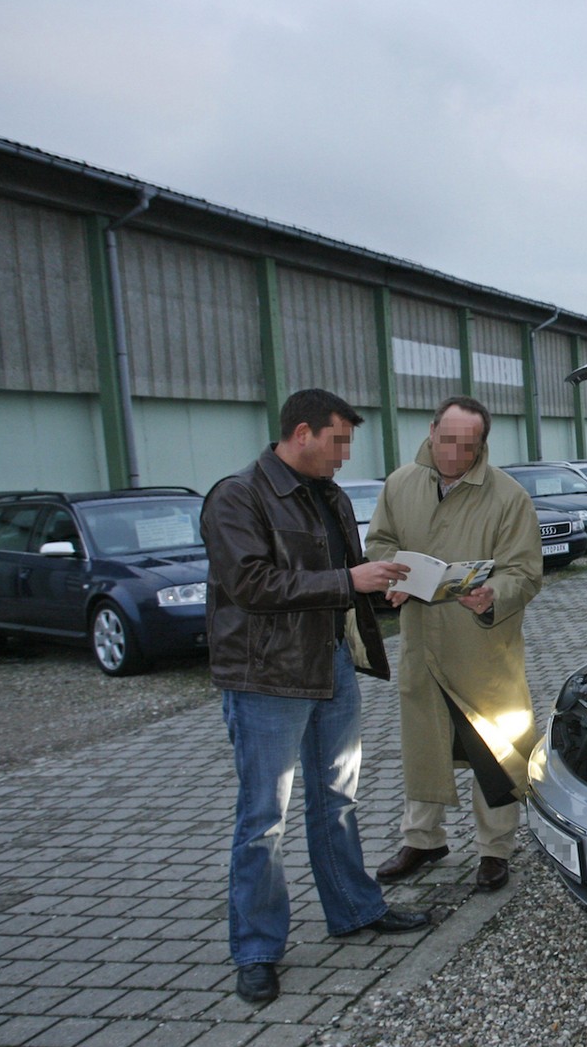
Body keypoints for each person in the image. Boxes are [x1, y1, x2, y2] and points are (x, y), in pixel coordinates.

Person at [203, 389, 430, 1007]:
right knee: (262, 818)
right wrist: (345, 581)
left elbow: (340, 573)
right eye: (338, 441)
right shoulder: (237, 496)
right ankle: (255, 950)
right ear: (301, 433)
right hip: (266, 677)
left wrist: (379, 586)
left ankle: (354, 910)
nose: (345, 454)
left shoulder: (327, 493)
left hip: (330, 663)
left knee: (337, 798)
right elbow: (249, 583)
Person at [364, 396, 543, 894]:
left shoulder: (508, 497)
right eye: (447, 441)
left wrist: (493, 596)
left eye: (468, 446)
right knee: (424, 746)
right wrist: (391, 575)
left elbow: (525, 573)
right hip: (421, 646)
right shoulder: (400, 485)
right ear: (431, 430)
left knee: (494, 750)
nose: (454, 454)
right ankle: (422, 838)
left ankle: (495, 850)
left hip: (481, 650)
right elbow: (378, 542)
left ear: (482, 444)